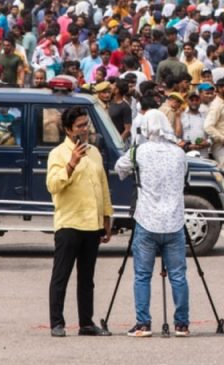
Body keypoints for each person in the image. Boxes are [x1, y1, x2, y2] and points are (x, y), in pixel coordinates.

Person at [115, 110, 190, 338]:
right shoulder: (180, 153)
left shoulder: (138, 151)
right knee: (178, 276)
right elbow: (185, 178)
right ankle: (181, 324)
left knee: (142, 275)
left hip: (147, 221)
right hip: (174, 222)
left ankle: (143, 324)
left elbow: (119, 168)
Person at [46, 106, 113, 337]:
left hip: (92, 224)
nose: (84, 129)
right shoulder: (58, 154)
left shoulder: (94, 152)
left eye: (86, 125)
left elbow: (102, 185)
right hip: (69, 223)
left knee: (87, 278)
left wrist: (106, 217)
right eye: (79, 126)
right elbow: (53, 185)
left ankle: (86, 323)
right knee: (61, 276)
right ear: (68, 129)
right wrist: (71, 163)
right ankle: (57, 323)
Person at [204, 76, 224, 177]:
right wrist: (222, 138)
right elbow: (208, 126)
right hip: (221, 145)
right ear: (219, 88)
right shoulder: (216, 105)